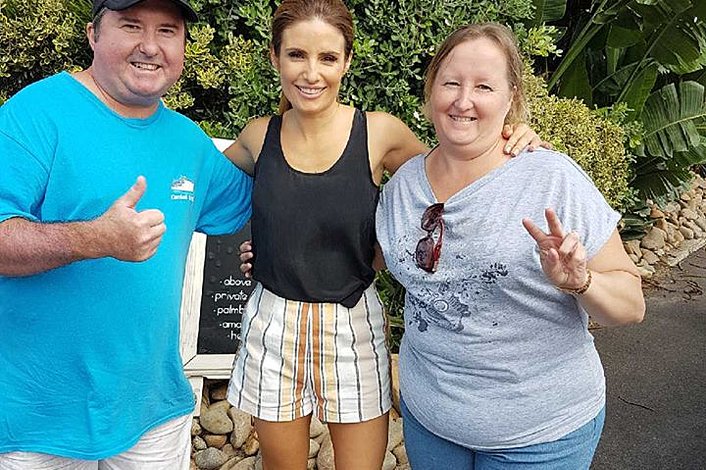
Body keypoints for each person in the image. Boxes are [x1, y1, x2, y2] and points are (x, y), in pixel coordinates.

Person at [223, 2, 546, 469]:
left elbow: (453, 175)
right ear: (275, 57)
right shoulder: (258, 136)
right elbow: (196, 185)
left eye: (327, 58)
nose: (311, 73)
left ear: (347, 61)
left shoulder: (378, 133)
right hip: (272, 323)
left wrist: (510, 135)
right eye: (296, 55)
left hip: (351, 323)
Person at [375, 23, 646, 469]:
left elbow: (631, 306)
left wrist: (581, 282)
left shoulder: (549, 176)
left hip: (540, 437)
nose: (464, 100)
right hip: (430, 425)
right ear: (431, 89)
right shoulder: (403, 185)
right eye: (451, 83)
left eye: (484, 86)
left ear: (510, 97)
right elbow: (365, 260)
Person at [0, 0, 252, 468]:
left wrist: (281, 133)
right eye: (132, 26)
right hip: (36, 420)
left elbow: (265, 203)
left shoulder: (188, 141)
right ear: (93, 34)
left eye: (167, 31)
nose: (150, 47)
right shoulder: (32, 115)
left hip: (152, 411)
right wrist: (95, 239)